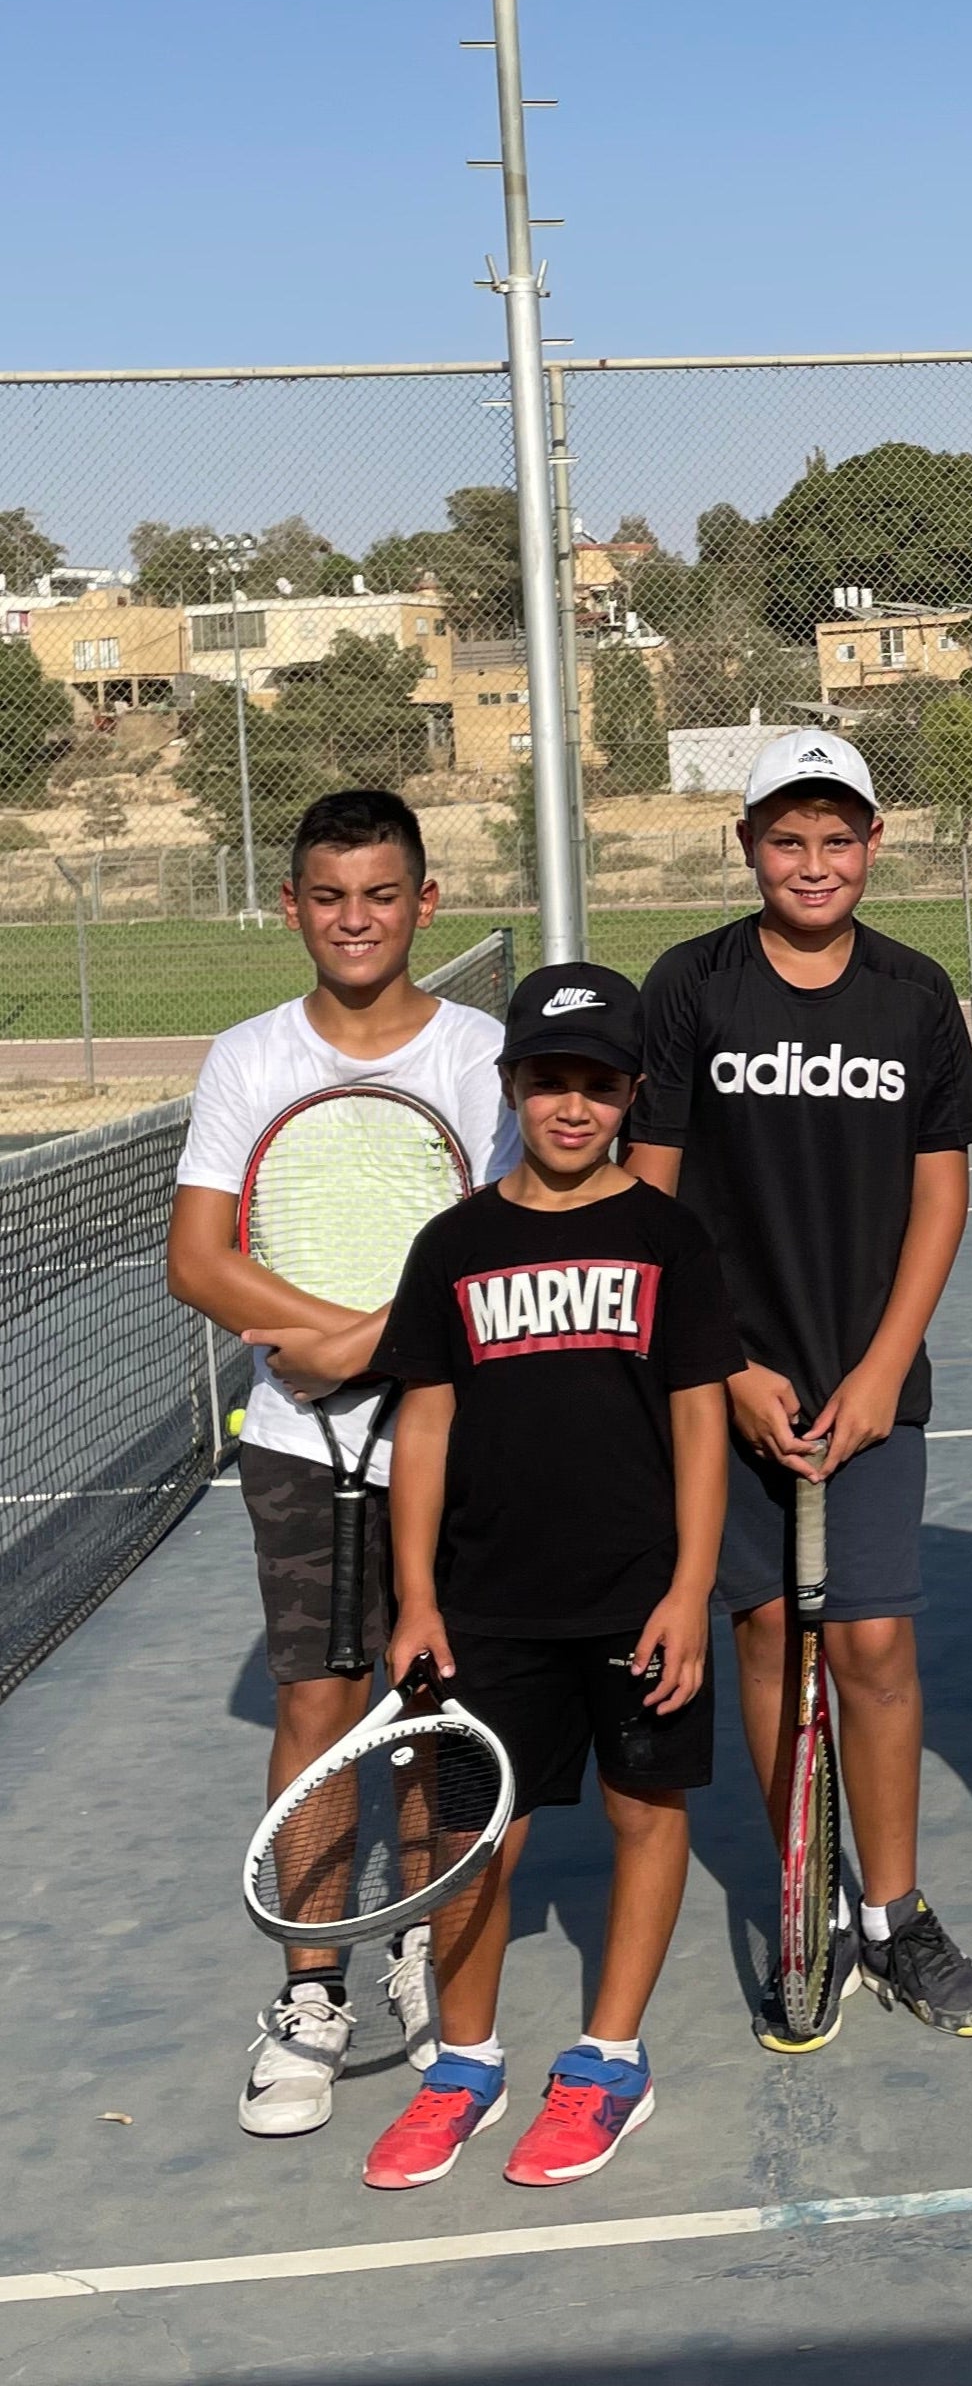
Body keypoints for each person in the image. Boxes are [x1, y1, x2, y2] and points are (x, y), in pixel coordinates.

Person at [625, 727, 972, 2049]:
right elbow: (650, 1195)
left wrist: (888, 1363)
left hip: (868, 1389)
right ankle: (810, 1907)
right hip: (724, 1389)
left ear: (874, 846)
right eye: (787, 838)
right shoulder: (693, 985)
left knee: (876, 1644)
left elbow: (942, 1185)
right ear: (747, 847)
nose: (813, 861)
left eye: (838, 838)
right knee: (771, 1638)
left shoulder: (909, 995)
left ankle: (893, 1913)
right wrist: (723, 1367)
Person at [165, 787, 518, 2142]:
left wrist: (371, 1345)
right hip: (300, 1448)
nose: (356, 918)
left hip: (463, 1436)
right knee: (318, 1710)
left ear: (423, 903)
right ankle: (312, 1995)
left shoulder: (486, 1056)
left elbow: (495, 1238)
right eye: (329, 895)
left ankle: (422, 1947)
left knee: (437, 1708)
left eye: (381, 893)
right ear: (293, 906)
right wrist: (339, 1350)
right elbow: (200, 1257)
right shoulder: (250, 1057)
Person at [349, 965, 737, 2189]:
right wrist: (416, 1596)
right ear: (510, 1083)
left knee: (645, 1811)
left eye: (599, 1086)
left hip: (635, 1595)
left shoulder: (668, 1237)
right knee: (473, 1839)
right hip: (486, 1604)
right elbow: (422, 1426)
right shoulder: (454, 1244)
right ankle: (464, 2064)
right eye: (549, 1081)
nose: (573, 1107)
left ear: (630, 1094)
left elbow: (697, 1427)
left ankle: (609, 2057)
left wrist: (688, 1590)